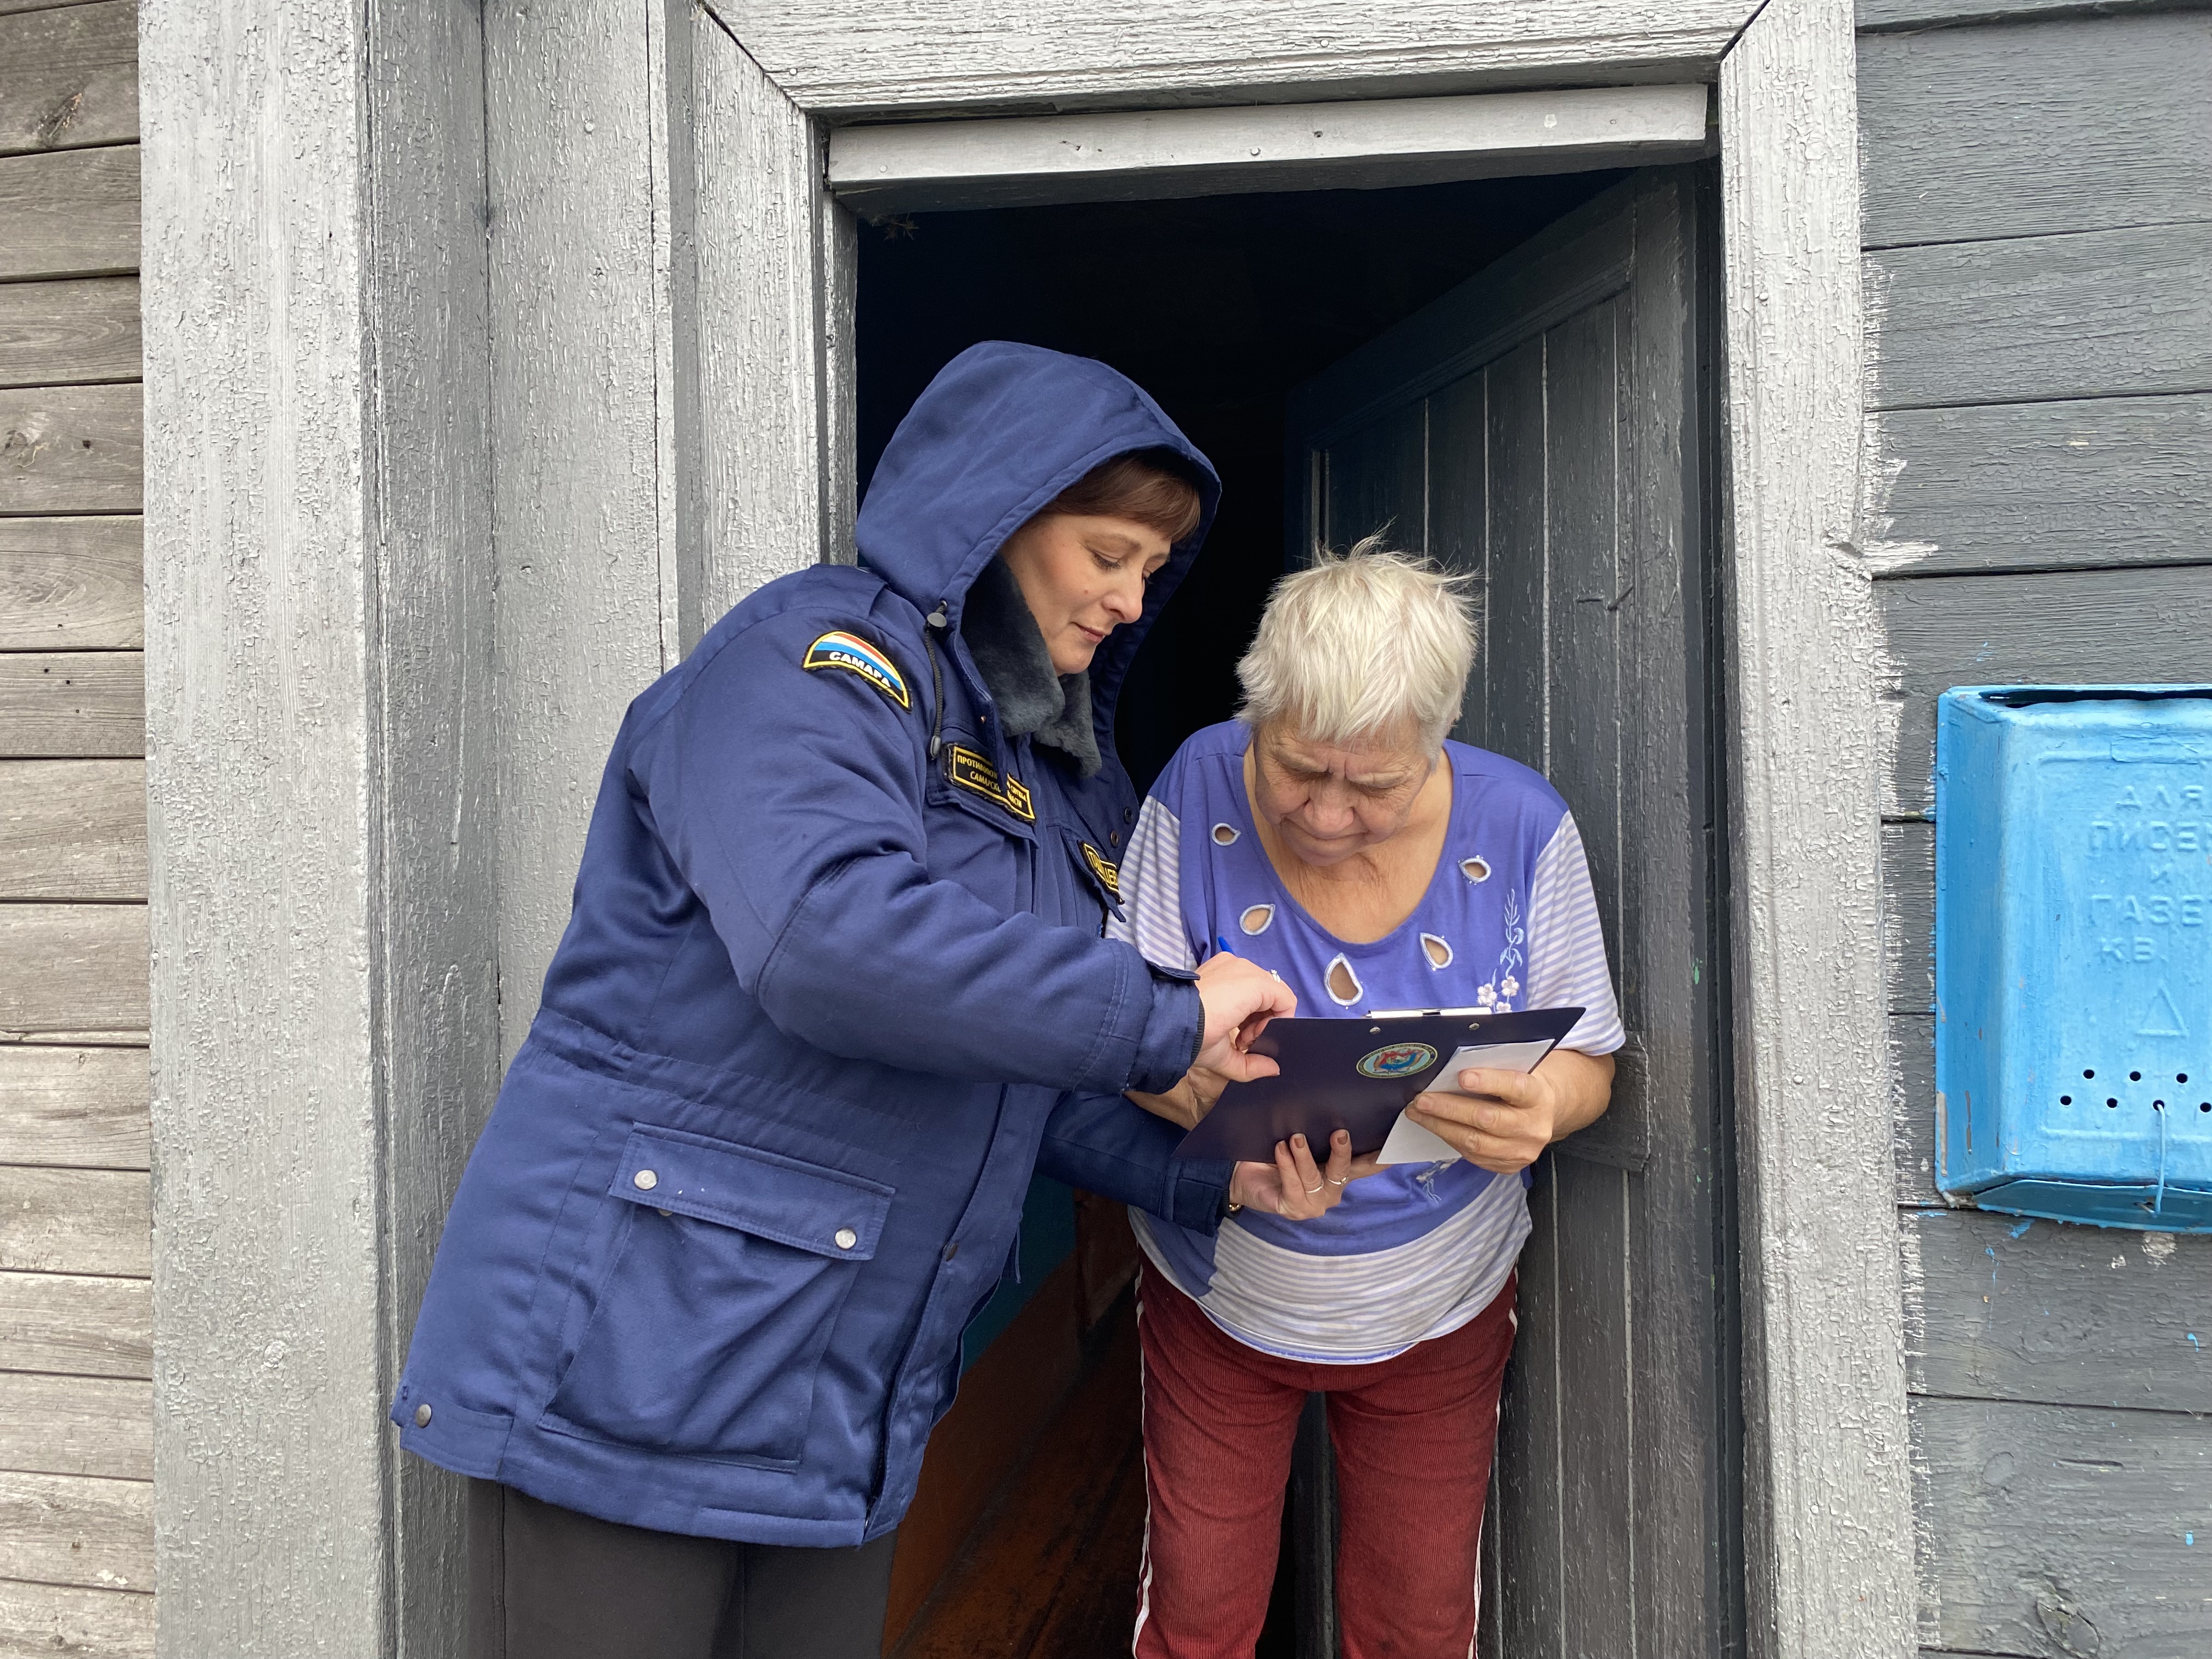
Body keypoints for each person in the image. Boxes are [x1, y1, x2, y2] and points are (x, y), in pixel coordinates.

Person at [388, 342, 1359, 1659]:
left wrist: (1214, 1166)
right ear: (1003, 511)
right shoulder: (813, 663)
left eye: (1152, 569)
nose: (1134, 601)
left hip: (840, 1392)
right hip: (632, 1359)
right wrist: (1169, 1015)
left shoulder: (1066, 782)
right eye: (1108, 554)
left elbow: (1016, 1072)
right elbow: (828, 941)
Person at [1116, 539, 1624, 1659]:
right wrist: (1214, 1126)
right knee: (1197, 1622)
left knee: (1416, 1628)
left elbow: (1589, 1060)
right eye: (1298, 769)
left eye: (1376, 786)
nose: (1329, 814)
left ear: (1439, 739)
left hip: (1439, 1311)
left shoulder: (1525, 825)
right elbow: (1119, 1043)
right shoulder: (1196, 783)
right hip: (1220, 1300)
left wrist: (1544, 1111)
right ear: (1255, 717)